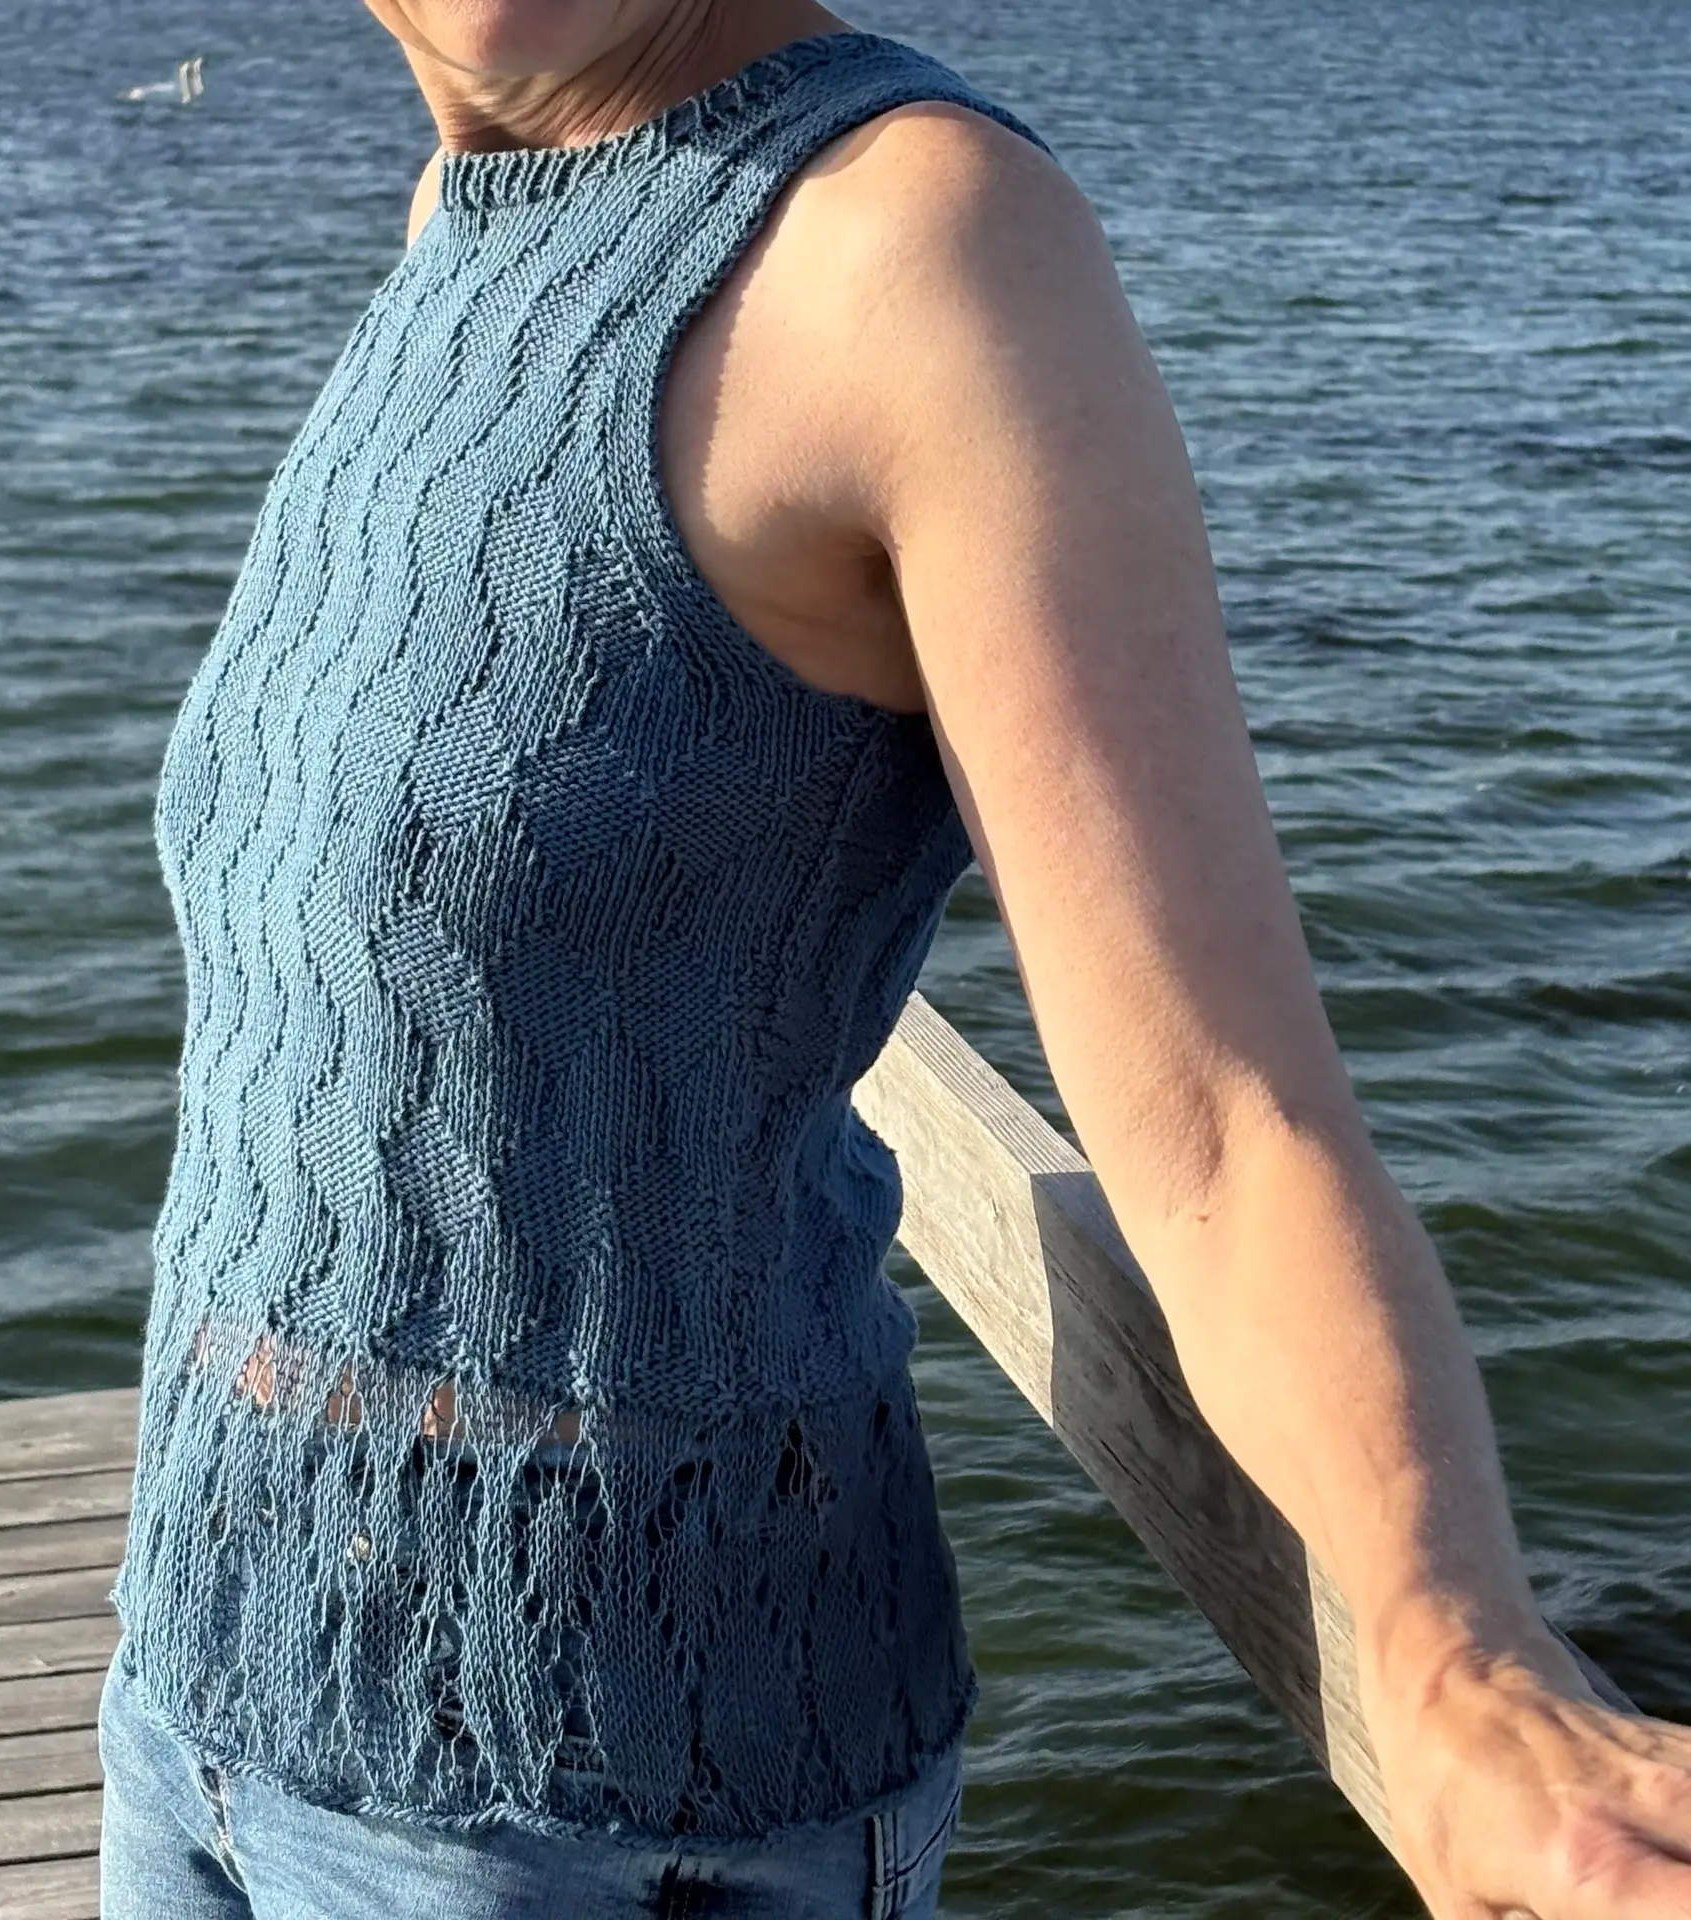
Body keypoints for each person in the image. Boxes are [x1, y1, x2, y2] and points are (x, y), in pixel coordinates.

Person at [95, 2, 1691, 1915]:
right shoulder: (469, 209)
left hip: (591, 1803)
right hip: (200, 1685)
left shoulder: (912, 236)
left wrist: (1459, 1663)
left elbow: (1215, 1120)